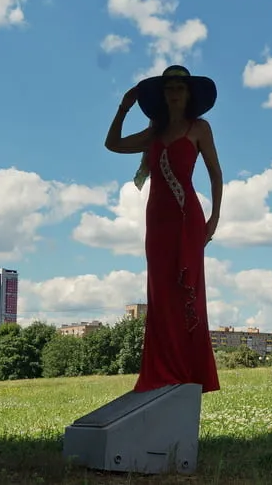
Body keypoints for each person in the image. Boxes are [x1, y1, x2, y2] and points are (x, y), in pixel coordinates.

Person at [104, 64, 222, 394]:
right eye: (169, 87)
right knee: (159, 295)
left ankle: (189, 373)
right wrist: (124, 106)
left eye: (180, 88)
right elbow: (112, 144)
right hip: (156, 221)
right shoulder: (153, 132)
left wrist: (214, 219)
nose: (174, 92)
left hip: (188, 219)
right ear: (163, 94)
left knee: (189, 292)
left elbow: (215, 174)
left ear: (188, 94)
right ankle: (162, 372)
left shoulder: (200, 128)